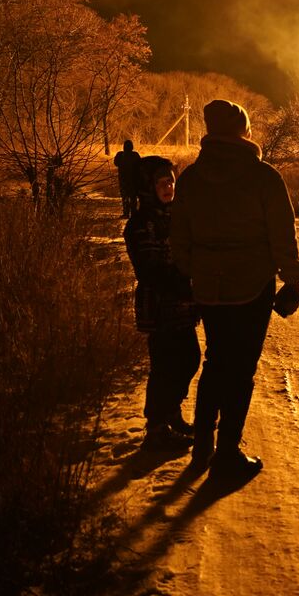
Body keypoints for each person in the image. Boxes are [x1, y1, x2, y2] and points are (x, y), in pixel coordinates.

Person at [172, 100, 299, 480]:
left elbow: (178, 237)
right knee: (241, 368)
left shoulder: (191, 178)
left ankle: (202, 445)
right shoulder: (263, 177)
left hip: (209, 288)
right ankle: (227, 452)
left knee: (215, 360)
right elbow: (282, 236)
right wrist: (291, 279)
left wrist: (193, 272)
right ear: (242, 130)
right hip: (252, 286)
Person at [124, 155, 199, 453]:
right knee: (165, 366)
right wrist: (179, 281)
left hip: (183, 304)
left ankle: (171, 413)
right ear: (148, 187)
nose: (168, 187)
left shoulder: (176, 216)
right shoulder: (141, 224)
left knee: (190, 358)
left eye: (171, 180)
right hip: (159, 305)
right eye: (161, 182)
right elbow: (147, 268)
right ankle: (156, 427)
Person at [113, 139, 142, 219]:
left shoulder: (120, 155)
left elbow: (115, 163)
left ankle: (126, 213)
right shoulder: (135, 155)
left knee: (125, 197)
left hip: (123, 180)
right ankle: (134, 213)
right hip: (134, 180)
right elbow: (140, 165)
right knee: (133, 197)